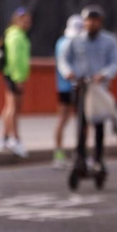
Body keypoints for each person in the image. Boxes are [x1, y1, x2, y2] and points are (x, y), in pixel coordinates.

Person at [59, 5, 117, 176]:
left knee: (99, 125)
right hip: (81, 87)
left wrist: (104, 74)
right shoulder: (76, 40)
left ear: (100, 22)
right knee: (81, 124)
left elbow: (116, 62)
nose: (90, 24)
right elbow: (64, 59)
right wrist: (68, 72)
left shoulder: (109, 41)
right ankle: (80, 157)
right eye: (87, 21)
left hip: (99, 88)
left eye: (94, 21)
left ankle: (98, 159)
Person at [0, 8, 31, 157]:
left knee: (11, 107)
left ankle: (4, 136)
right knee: (13, 107)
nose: (27, 23)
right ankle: (14, 138)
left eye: (28, 20)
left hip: (16, 75)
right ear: (17, 20)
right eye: (24, 20)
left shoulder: (18, 35)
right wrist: (18, 78)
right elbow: (15, 59)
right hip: (15, 76)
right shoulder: (16, 36)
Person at [51, 15, 84, 169]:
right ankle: (78, 153)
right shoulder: (76, 43)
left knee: (64, 120)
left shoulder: (61, 42)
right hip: (71, 86)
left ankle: (61, 154)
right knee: (79, 121)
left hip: (66, 86)